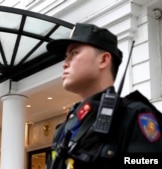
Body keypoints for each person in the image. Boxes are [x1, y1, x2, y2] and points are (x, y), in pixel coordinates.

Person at [46, 23, 162, 169]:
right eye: (66, 56)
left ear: (103, 60)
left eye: (74, 53)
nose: (65, 63)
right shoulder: (64, 128)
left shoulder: (133, 116)